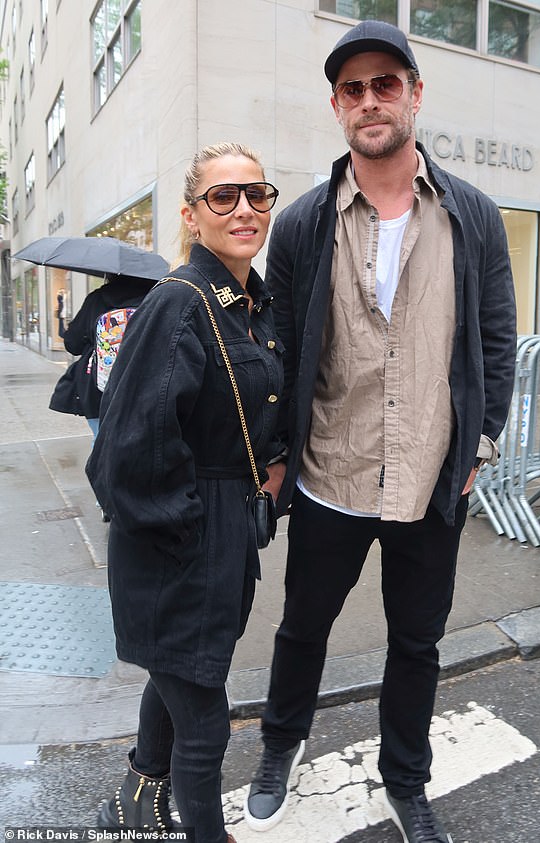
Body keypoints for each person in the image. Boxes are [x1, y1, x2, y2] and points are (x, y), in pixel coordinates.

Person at [243, 20, 517, 843]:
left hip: (432, 476)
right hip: (332, 472)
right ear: (336, 106)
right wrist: (278, 456)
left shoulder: (471, 214)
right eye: (353, 88)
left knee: (417, 644)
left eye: (385, 83)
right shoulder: (301, 223)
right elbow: (282, 348)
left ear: (414, 95)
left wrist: (481, 444)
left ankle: (406, 779)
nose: (370, 100)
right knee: (302, 629)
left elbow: (496, 338)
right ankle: (280, 748)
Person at [86, 142, 284, 843]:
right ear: (191, 215)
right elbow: (124, 456)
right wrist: (189, 536)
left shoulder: (249, 303)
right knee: (204, 720)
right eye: (221, 197)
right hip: (183, 539)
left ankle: (137, 797)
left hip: (224, 529)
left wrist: (273, 466)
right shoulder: (179, 302)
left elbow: (255, 405)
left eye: (255, 194)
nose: (242, 209)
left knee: (176, 678)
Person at [50, 273, 153, 440]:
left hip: (96, 387)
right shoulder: (155, 299)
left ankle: (101, 465)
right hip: (143, 383)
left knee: (100, 441)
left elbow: (73, 345)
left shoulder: (96, 299)